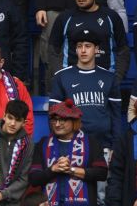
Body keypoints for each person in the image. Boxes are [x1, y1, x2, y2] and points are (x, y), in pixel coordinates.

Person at [29, 97, 108, 206]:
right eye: (54, 120)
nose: (57, 124)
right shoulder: (43, 144)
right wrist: (53, 170)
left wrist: (71, 169)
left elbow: (102, 173)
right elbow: (33, 178)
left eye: (63, 120)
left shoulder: (90, 142)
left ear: (74, 122)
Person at [50, 28, 122, 158]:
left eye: (88, 46)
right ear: (76, 49)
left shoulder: (109, 78)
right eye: (79, 46)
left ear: (96, 49)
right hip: (71, 147)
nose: (83, 50)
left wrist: (116, 147)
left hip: (103, 146)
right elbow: (53, 116)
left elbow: (116, 116)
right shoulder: (61, 77)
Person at [47, 0, 129, 76]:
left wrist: (116, 78)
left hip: (104, 79)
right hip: (71, 79)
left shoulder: (111, 17)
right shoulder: (64, 17)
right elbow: (53, 50)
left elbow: (123, 50)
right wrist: (61, 77)